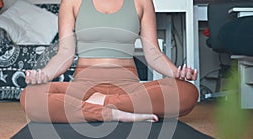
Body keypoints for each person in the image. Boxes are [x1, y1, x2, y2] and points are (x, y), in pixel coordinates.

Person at [20, 0, 199, 123]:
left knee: (187, 92)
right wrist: (44, 75)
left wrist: (176, 73)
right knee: (31, 96)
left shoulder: (142, 2)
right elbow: (64, 54)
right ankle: (114, 113)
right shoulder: (72, 2)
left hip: (128, 87)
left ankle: (101, 104)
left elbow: (153, 53)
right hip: (83, 87)